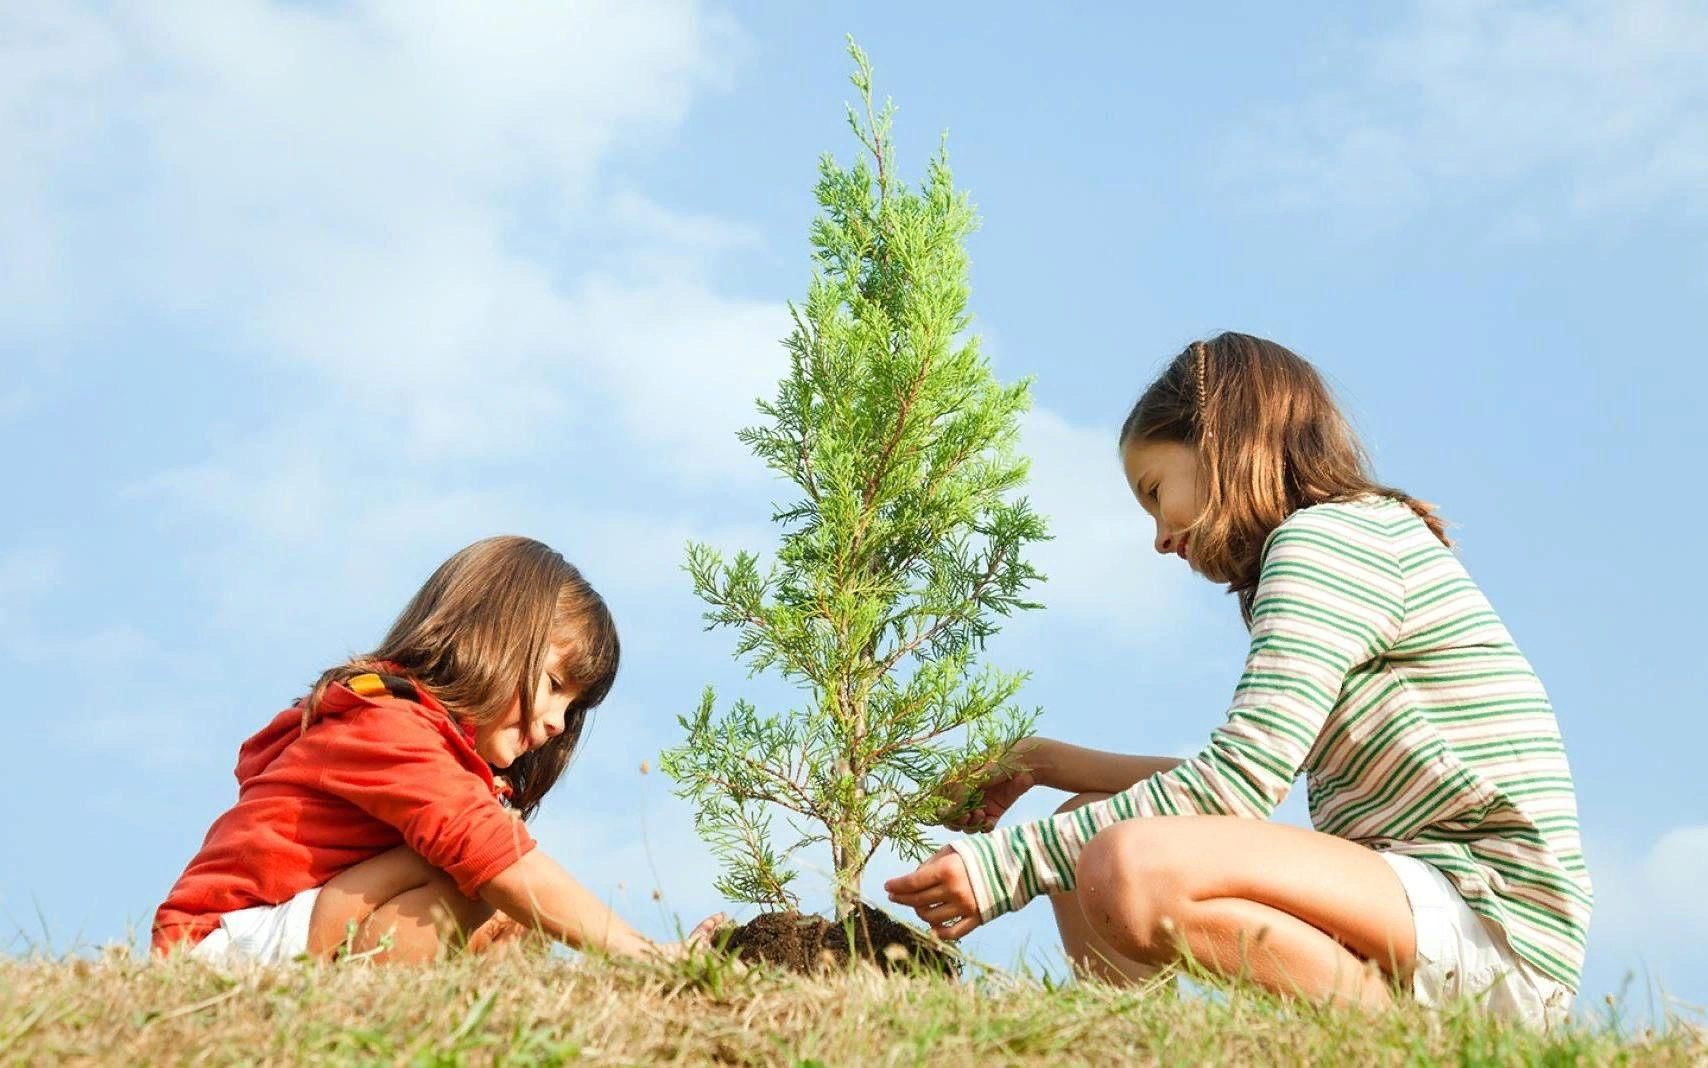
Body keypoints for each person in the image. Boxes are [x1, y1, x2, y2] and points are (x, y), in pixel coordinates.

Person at [886, 333, 1589, 1027]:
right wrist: (1043, 764)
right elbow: (1234, 792)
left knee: (1126, 863)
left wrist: (1001, 864)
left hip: (1487, 922)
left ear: (1222, 441)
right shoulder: (1350, 542)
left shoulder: (1327, 543)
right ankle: (1123, 1046)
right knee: (1090, 832)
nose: (1160, 535)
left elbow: (1235, 787)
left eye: (1155, 490)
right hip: (1426, 913)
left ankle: (1417, 1047)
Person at [152, 535, 721, 966]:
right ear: (493, 639)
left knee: (507, 911)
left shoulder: (432, 748)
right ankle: (357, 1010)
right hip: (218, 955)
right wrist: (646, 955)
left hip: (293, 930)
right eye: (552, 686)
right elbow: (491, 856)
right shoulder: (386, 725)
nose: (556, 723)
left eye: (572, 710)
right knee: (474, 873)